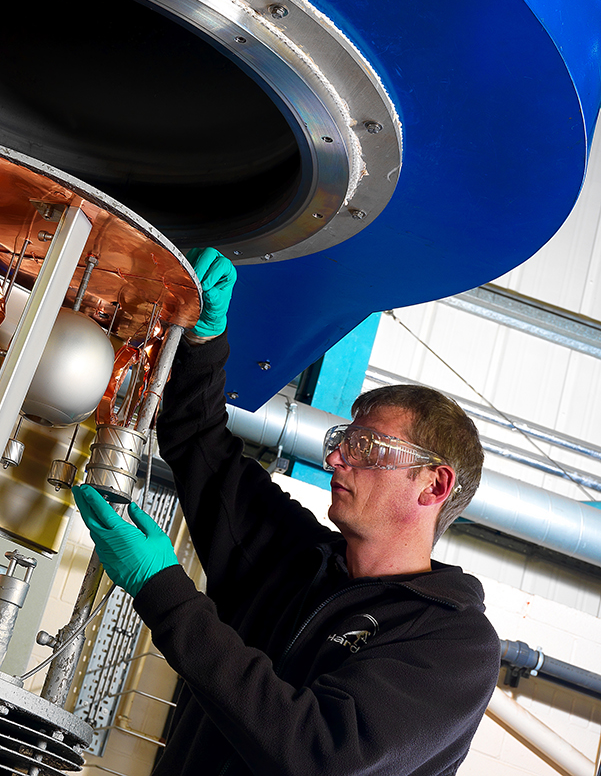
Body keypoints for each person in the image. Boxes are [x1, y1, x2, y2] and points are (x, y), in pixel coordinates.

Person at [73, 248, 500, 776]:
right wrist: (204, 340)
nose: (338, 457)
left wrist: (161, 587)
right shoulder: (298, 560)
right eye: (344, 440)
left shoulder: (452, 642)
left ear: (433, 485)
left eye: (368, 447)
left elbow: (318, 758)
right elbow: (197, 440)